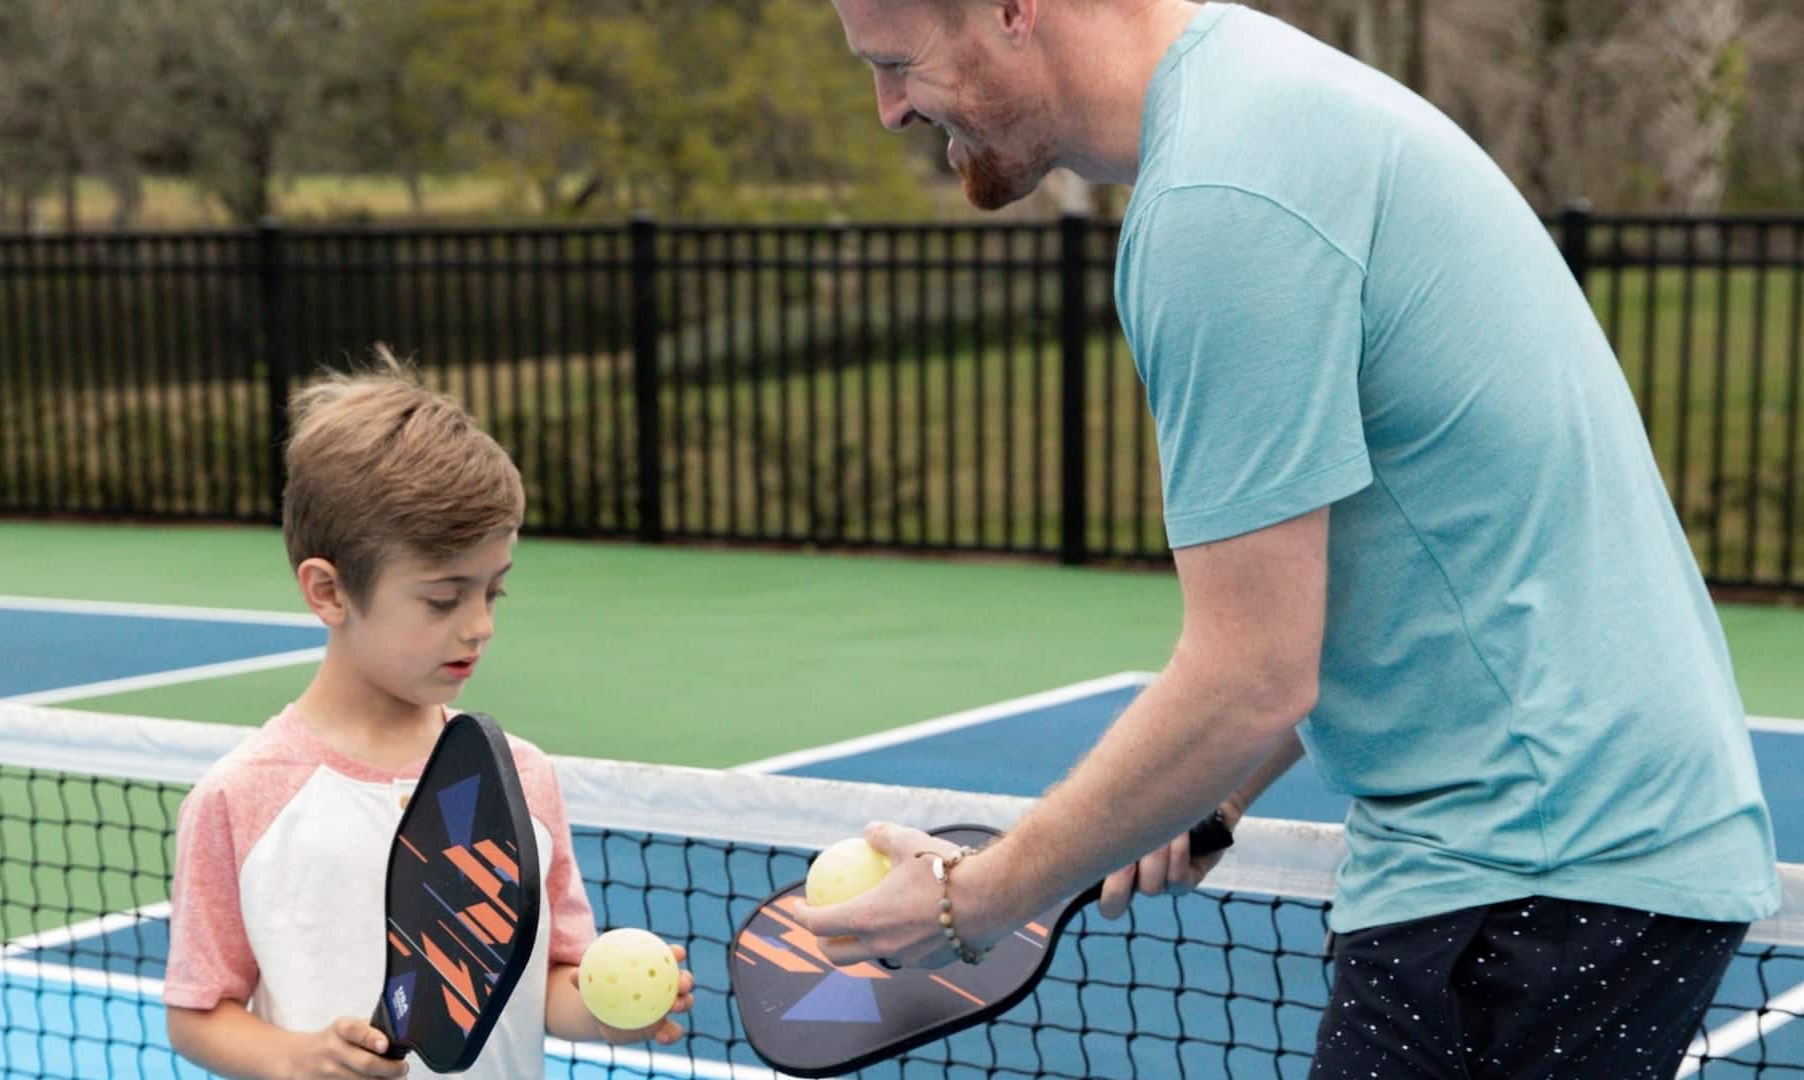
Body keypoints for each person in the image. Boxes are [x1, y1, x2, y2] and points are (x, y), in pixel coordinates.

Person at [798, 2, 1778, 1075]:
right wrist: (1204, 787)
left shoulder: (1223, 199)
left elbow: (1252, 679)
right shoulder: (1262, 103)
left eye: (897, 63)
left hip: (1539, 869)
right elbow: (1385, 547)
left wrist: (967, 904)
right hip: (1568, 848)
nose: (888, 108)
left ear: (1014, 10)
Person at [163, 349, 693, 1079]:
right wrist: (298, 1058)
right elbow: (197, 1013)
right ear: (328, 592)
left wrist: (609, 1005)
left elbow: (555, 981)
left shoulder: (523, 779)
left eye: (493, 592)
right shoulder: (240, 796)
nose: (479, 625)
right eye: (444, 599)